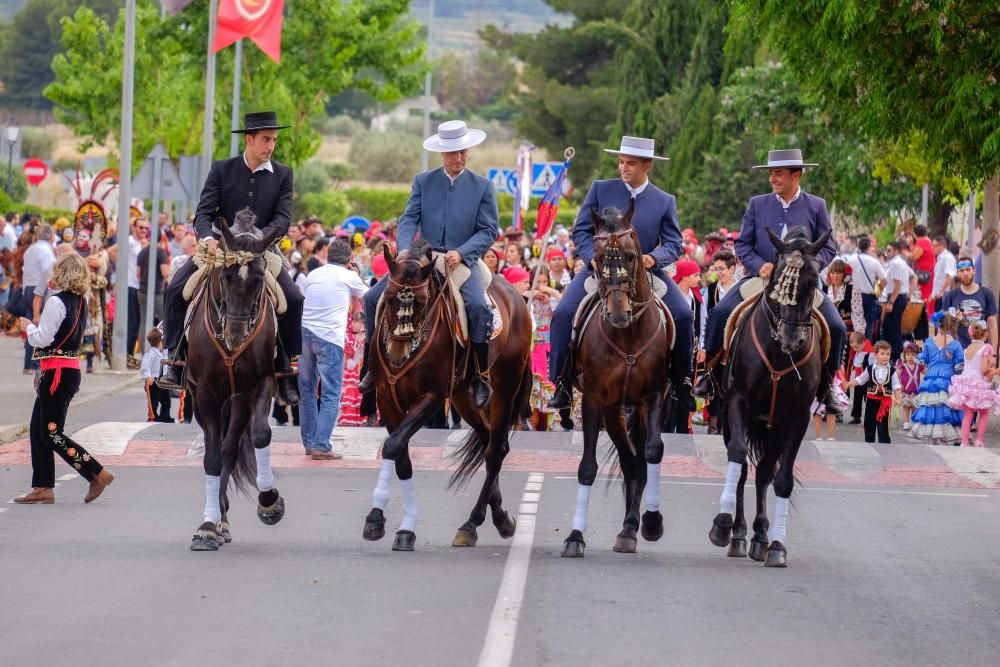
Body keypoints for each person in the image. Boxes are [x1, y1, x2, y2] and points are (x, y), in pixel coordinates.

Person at [158, 111, 304, 405]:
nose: (271, 146)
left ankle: (286, 369)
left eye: (274, 140)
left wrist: (258, 241)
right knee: (175, 289)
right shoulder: (222, 169)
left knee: (294, 298)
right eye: (265, 139)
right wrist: (207, 238)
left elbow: (283, 218)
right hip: (220, 249)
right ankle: (175, 360)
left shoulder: (284, 174)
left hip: (262, 249)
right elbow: (204, 213)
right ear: (249, 139)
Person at [546, 135, 694, 413]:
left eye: (631, 164)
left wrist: (654, 257)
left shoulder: (664, 200)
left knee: (684, 315)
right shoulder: (600, 189)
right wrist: (591, 259)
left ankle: (683, 383)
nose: (623, 168)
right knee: (563, 313)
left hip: (644, 272)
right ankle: (562, 383)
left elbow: (675, 244)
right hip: (601, 271)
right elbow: (581, 231)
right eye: (621, 162)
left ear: (647, 165)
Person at [358, 120, 499, 409]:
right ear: (442, 154)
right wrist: (406, 249)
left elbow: (488, 231)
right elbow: (409, 218)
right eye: (452, 153)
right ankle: (372, 368)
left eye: (463, 152)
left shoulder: (483, 186)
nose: (458, 158)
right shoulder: (423, 181)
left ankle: (480, 376)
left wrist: (462, 252)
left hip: (461, 261)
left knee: (477, 306)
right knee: (373, 298)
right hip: (421, 258)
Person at [694, 149, 844, 414]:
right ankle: (712, 376)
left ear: (796, 175)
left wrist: (810, 268)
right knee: (720, 313)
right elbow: (742, 244)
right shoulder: (757, 203)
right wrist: (758, 265)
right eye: (771, 173)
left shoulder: (816, 205)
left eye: (778, 173)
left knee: (836, 326)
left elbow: (828, 248)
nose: (772, 178)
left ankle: (827, 386)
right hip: (761, 278)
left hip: (802, 285)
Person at [13, 253, 115, 504]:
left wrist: (27, 326)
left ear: (61, 272)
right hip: (67, 370)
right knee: (39, 429)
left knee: (51, 433)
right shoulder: (80, 300)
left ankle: (95, 472)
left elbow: (42, 339)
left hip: (57, 373)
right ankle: (43, 486)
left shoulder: (57, 302)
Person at [298, 239, 367, 459]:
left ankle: (309, 443)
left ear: (328, 256)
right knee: (330, 394)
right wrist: (356, 273)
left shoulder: (314, 274)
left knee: (307, 391)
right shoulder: (349, 276)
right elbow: (369, 296)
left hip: (305, 334)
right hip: (329, 338)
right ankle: (321, 445)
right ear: (350, 259)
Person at [909, 310, 963, 444]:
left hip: (931, 380)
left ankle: (934, 441)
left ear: (938, 326)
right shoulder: (956, 344)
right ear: (952, 326)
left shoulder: (929, 342)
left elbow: (923, 359)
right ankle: (947, 438)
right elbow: (959, 365)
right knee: (946, 409)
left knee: (931, 409)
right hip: (947, 381)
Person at [665, 259, 703, 434]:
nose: (699, 278)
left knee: (686, 385)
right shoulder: (667, 294)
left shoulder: (696, 299)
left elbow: (703, 324)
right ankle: (665, 424)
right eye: (696, 275)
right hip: (669, 347)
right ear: (685, 276)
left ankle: (683, 427)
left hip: (690, 350)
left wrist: (701, 346)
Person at [946, 320, 998, 447]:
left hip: (966, 382)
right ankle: (979, 440)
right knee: (984, 412)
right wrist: (994, 370)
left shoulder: (967, 349)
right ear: (985, 335)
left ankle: (964, 441)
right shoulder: (986, 348)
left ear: (971, 334)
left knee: (968, 413)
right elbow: (983, 370)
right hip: (979, 383)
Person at [845, 340, 900, 444]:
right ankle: (869, 442)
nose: (885, 356)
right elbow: (860, 380)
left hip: (884, 403)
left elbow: (896, 385)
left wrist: (898, 398)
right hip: (871, 400)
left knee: (883, 425)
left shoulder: (892, 371)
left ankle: (884, 444)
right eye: (882, 354)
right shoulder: (870, 369)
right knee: (869, 422)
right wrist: (848, 384)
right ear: (875, 355)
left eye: (888, 354)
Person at [941, 257, 998, 350]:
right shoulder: (951, 296)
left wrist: (994, 351)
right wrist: (954, 320)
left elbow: (992, 324)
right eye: (961, 270)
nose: (965, 273)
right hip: (957, 350)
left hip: (981, 350)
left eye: (968, 269)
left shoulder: (987, 294)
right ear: (957, 273)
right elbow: (943, 327)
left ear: (974, 270)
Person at [846, 235, 885, 340]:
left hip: (853, 296)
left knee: (853, 324)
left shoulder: (850, 260)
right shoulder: (874, 262)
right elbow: (884, 280)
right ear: (868, 247)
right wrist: (877, 291)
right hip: (869, 297)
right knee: (868, 327)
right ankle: (866, 351)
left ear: (858, 246)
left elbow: (846, 278)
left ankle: (854, 351)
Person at [880, 241, 910, 361]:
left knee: (891, 328)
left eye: (889, 250)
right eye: (886, 250)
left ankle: (896, 355)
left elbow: (897, 285)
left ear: (896, 251)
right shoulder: (897, 263)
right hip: (897, 296)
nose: (887, 253)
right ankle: (894, 354)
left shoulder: (896, 264)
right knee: (891, 326)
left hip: (895, 297)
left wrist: (891, 302)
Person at [140, 327, 172, 423]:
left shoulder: (163, 353)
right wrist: (148, 376)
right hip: (153, 381)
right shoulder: (151, 354)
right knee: (153, 402)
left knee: (166, 400)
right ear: (159, 342)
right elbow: (145, 367)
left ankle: (165, 416)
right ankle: (152, 416)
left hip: (162, 380)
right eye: (163, 341)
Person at [896, 341, 924, 431]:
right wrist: (898, 384)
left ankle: (913, 421)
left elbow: (926, 373)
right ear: (904, 356)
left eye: (913, 355)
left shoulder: (919, 366)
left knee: (915, 408)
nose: (910, 357)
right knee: (906, 407)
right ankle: (906, 423)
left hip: (915, 391)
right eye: (908, 355)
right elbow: (897, 375)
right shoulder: (902, 366)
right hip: (906, 391)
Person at [929, 235, 956, 316]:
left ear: (942, 245)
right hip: (940, 296)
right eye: (932, 246)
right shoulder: (941, 258)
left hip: (945, 296)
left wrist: (941, 292)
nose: (933, 248)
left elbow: (950, 276)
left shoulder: (947, 258)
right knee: (938, 321)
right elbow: (939, 279)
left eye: (935, 246)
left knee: (942, 323)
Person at [910, 224, 935, 305]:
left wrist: (905, 253)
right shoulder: (927, 241)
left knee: (922, 298)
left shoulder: (922, 242)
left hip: (923, 274)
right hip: (926, 273)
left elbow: (914, 256)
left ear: (914, 233)